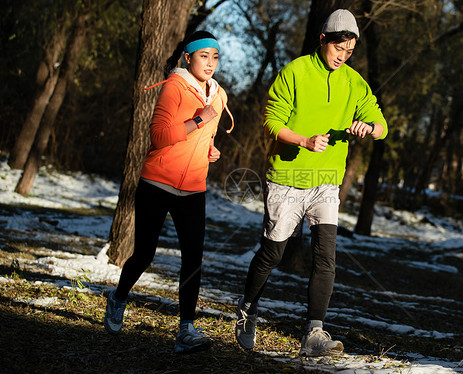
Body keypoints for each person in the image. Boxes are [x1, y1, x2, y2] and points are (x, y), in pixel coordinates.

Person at [235, 9, 388, 357]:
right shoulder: (295, 72)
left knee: (325, 258)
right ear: (323, 40)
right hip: (288, 178)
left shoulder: (354, 82)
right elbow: (271, 122)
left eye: (349, 52)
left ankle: (314, 333)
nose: (342, 56)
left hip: (326, 183)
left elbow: (381, 123)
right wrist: (303, 140)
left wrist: (369, 128)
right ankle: (247, 310)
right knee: (272, 253)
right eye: (338, 48)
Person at [104, 30, 233, 354]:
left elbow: (203, 137)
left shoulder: (219, 95)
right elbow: (159, 136)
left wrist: (211, 149)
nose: (210, 63)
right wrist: (198, 122)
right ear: (188, 57)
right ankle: (118, 297)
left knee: (193, 258)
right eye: (204, 56)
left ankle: (185, 329)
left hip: (192, 188)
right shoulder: (173, 87)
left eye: (215, 57)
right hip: (157, 183)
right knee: (145, 254)